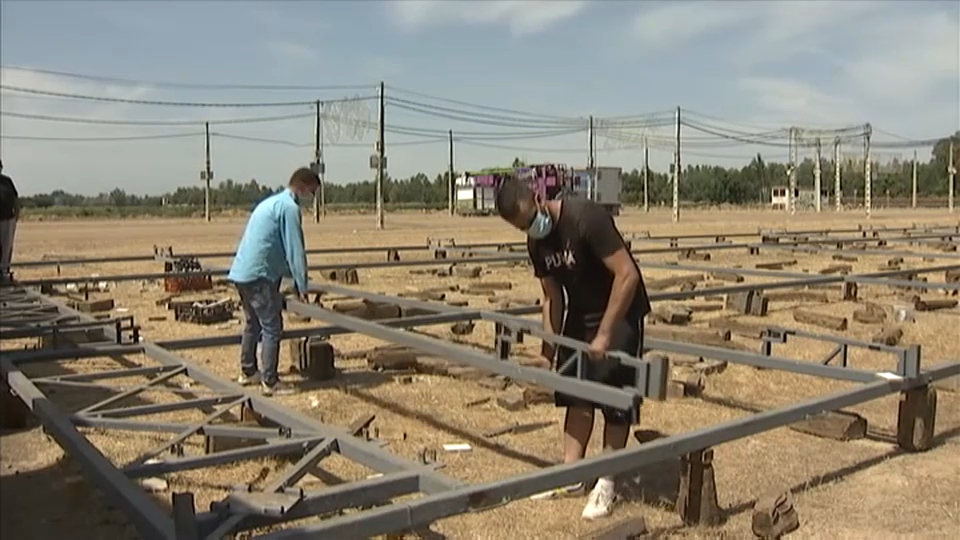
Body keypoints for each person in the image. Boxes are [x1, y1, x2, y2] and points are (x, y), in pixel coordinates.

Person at [494, 177, 651, 520]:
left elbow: (628, 275)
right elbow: (552, 298)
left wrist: (606, 334)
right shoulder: (536, 244)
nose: (530, 229)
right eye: (521, 227)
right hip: (581, 312)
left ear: (537, 198)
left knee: (615, 399)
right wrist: (547, 353)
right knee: (574, 394)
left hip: (619, 310)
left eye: (529, 218)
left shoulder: (585, 218)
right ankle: (572, 476)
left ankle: (606, 483)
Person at [228, 167, 319, 396]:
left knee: (253, 323)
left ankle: (248, 371)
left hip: (243, 272)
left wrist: (292, 278)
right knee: (272, 327)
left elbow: (274, 248)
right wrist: (302, 285)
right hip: (259, 276)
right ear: (303, 186)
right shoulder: (289, 208)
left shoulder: (272, 203)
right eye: (312, 193)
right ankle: (270, 381)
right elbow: (295, 249)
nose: (312, 199)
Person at [0, 159, 20, 282]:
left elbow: (15, 199)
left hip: (8, 219)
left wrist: (17, 214)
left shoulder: (7, 181)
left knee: (6, 247)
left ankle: (4, 271)